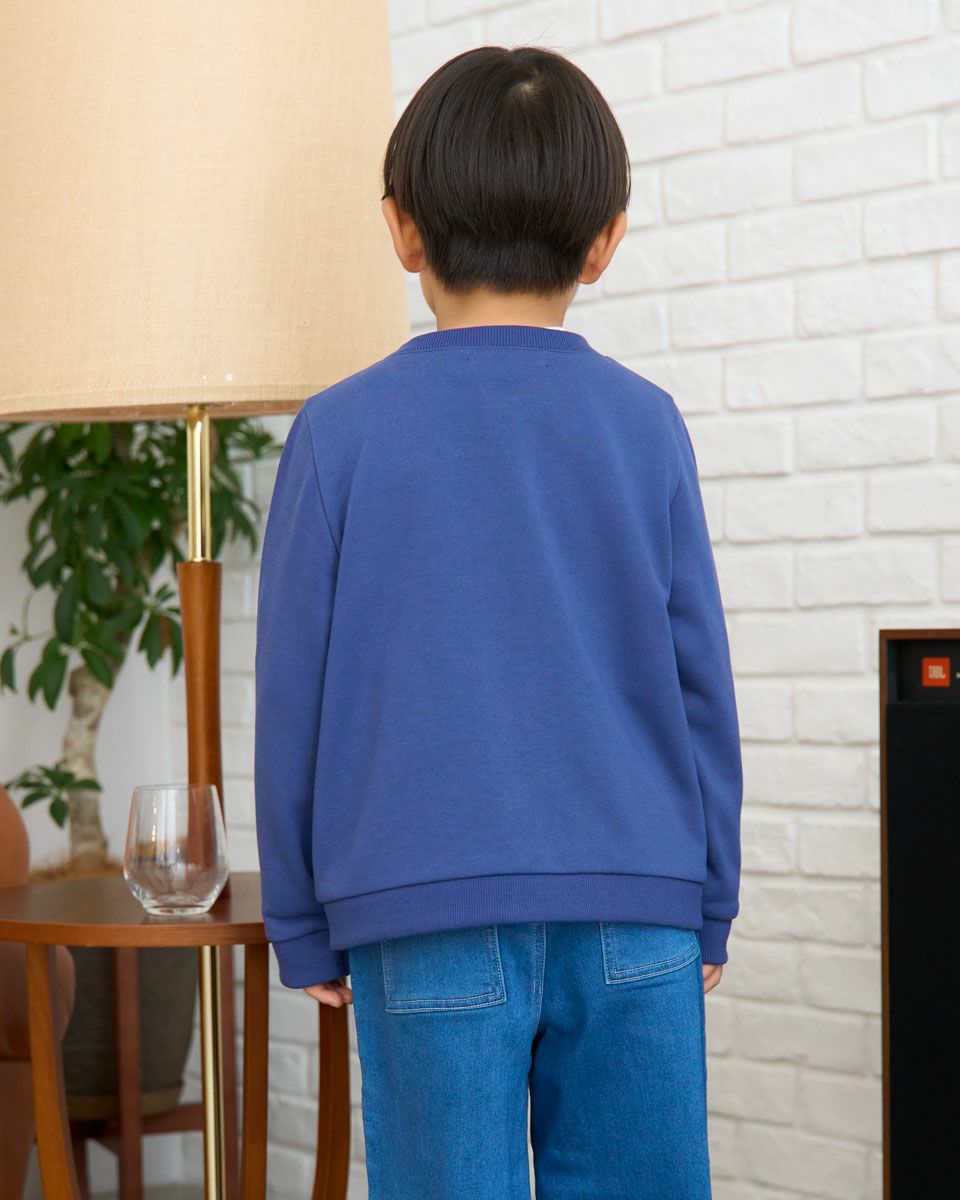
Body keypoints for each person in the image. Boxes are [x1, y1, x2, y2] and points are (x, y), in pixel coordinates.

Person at [254, 44, 743, 1200]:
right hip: (636, 910)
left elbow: (294, 699)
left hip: (423, 915)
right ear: (605, 240)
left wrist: (301, 918)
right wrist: (709, 897)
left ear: (401, 229)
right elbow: (700, 684)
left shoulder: (338, 434)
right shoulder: (646, 424)